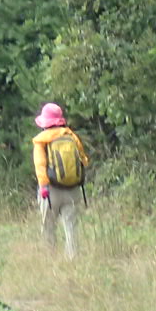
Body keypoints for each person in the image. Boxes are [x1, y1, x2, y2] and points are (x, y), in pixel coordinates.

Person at [31, 102, 89, 258]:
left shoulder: (41, 141)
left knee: (48, 227)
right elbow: (84, 161)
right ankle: (73, 259)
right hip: (73, 189)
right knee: (71, 227)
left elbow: (40, 165)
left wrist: (43, 186)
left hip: (51, 191)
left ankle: (50, 259)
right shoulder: (71, 136)